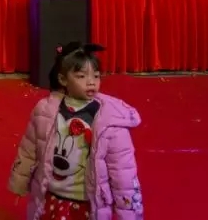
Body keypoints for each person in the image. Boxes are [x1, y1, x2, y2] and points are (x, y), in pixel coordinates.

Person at [8, 43, 143, 220]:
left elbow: (122, 170)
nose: (91, 82)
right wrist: (20, 181)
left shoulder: (111, 121)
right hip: (50, 197)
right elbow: (29, 149)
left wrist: (128, 212)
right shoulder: (45, 110)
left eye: (96, 76)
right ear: (63, 79)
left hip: (87, 203)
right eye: (81, 76)